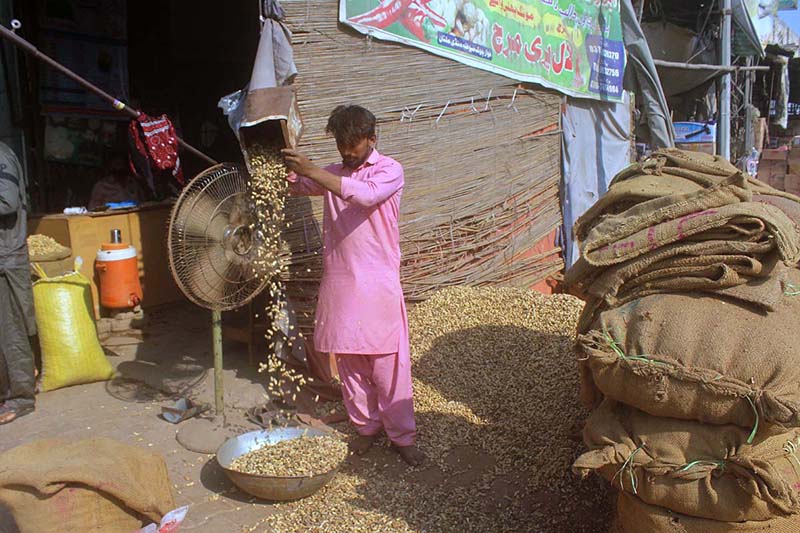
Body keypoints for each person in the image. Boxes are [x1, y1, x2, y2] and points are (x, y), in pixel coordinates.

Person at [282, 105, 425, 466]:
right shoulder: (332, 173)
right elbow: (298, 184)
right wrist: (282, 162)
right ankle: (365, 428)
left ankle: (401, 436)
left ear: (372, 138)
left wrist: (313, 170)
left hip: (377, 285)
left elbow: (362, 195)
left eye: (354, 145)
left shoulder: (390, 170)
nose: (347, 153)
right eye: (342, 145)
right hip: (342, 284)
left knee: (386, 365)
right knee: (350, 363)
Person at [0, 141, 36, 424]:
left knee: (11, 331)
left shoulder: (1, 156)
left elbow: (7, 201)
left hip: (6, 259)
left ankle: (21, 397)